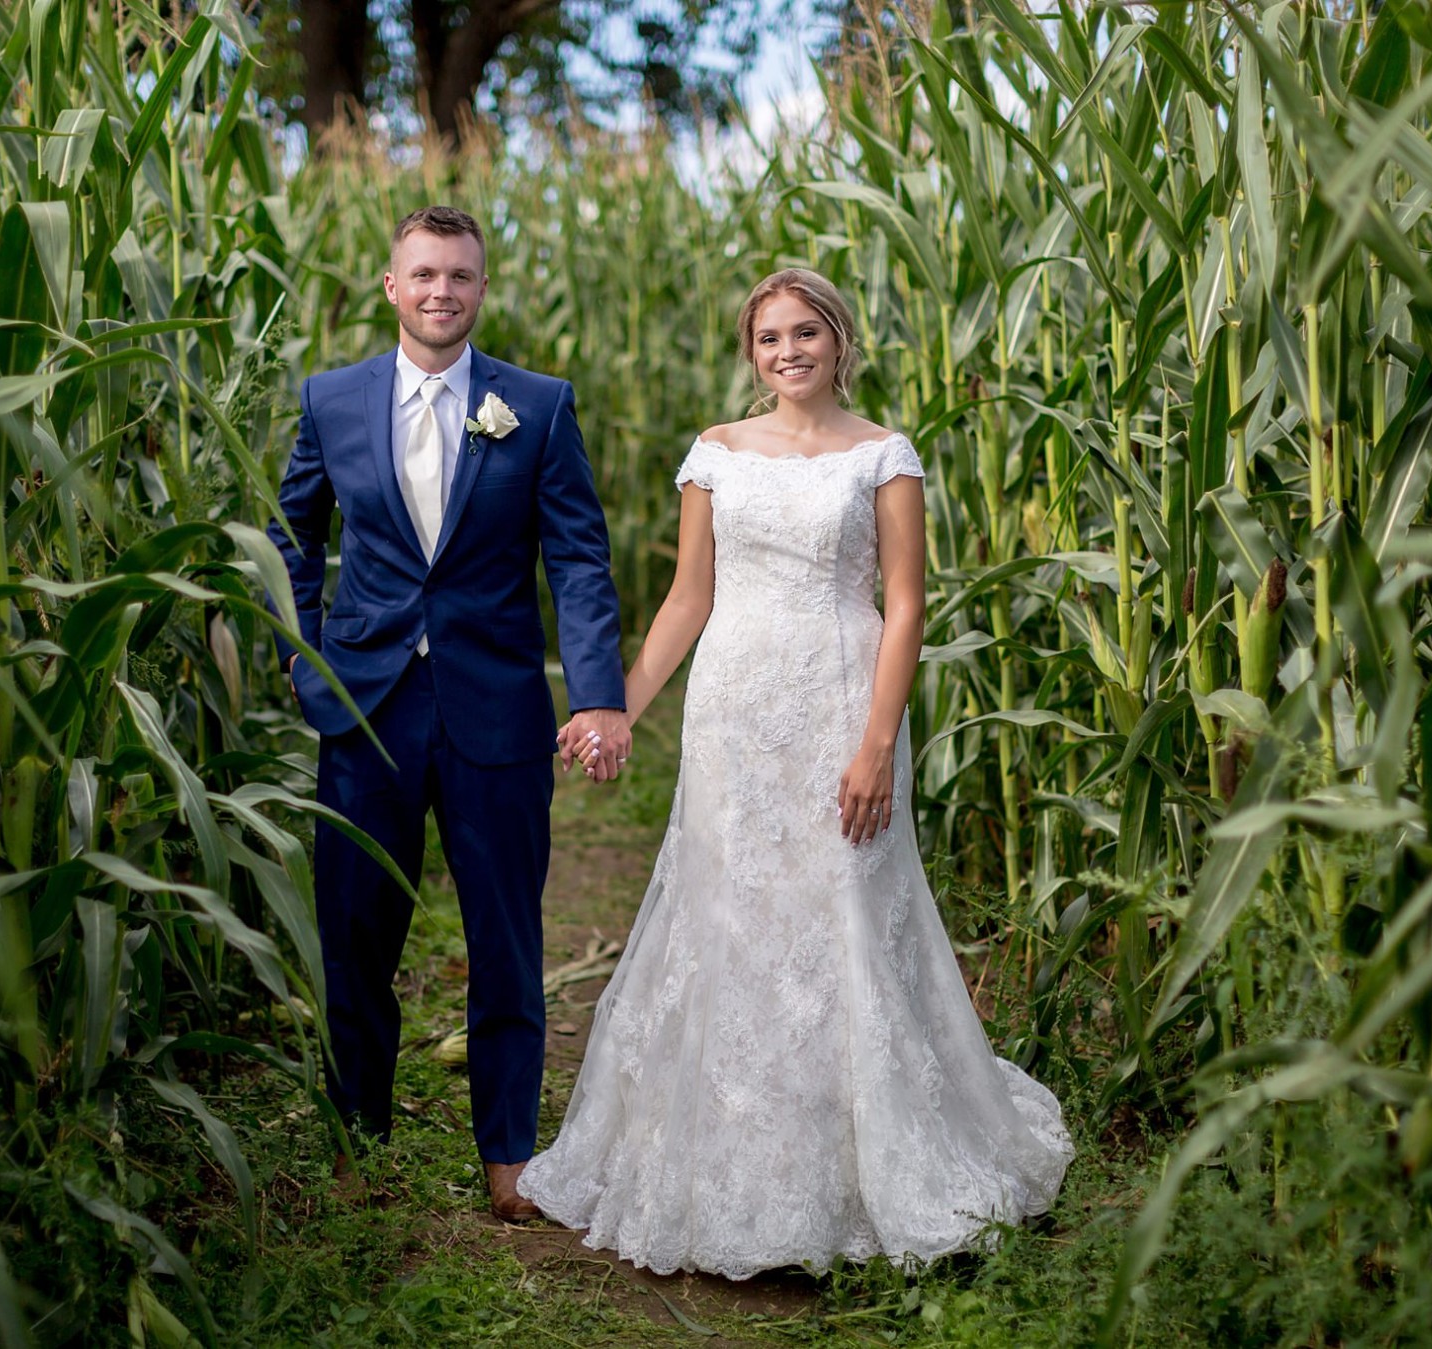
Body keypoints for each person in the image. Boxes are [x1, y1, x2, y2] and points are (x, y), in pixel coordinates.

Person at [517, 268, 1074, 1277]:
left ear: (838, 340)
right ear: (751, 350)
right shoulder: (716, 454)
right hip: (732, 711)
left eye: (804, 330)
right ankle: (737, 1162)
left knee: (847, 909)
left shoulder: (882, 457)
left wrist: (873, 744)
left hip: (840, 701)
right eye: (768, 335)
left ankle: (867, 1163)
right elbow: (689, 598)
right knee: (731, 908)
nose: (786, 349)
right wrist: (617, 708)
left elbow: (903, 604)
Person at [265, 205, 631, 1223]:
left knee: (507, 938)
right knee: (354, 938)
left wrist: (597, 690)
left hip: (496, 710)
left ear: (481, 288)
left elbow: (577, 557)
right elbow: (288, 532)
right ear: (392, 286)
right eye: (423, 274)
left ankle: (508, 1153)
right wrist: (308, 663)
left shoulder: (538, 406)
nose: (441, 291)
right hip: (365, 707)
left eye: (460, 276)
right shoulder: (330, 399)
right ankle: (356, 1139)